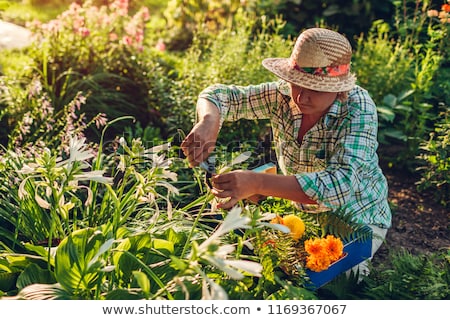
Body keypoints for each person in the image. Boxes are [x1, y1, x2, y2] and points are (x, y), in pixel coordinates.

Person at [180, 27, 391, 276]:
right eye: (297, 83)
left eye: (315, 88)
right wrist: (208, 121)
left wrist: (257, 182)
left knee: (335, 279)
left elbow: (340, 186)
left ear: (339, 87)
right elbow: (220, 96)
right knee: (259, 261)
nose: (301, 96)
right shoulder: (282, 95)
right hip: (301, 210)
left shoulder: (358, 109)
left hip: (356, 216)